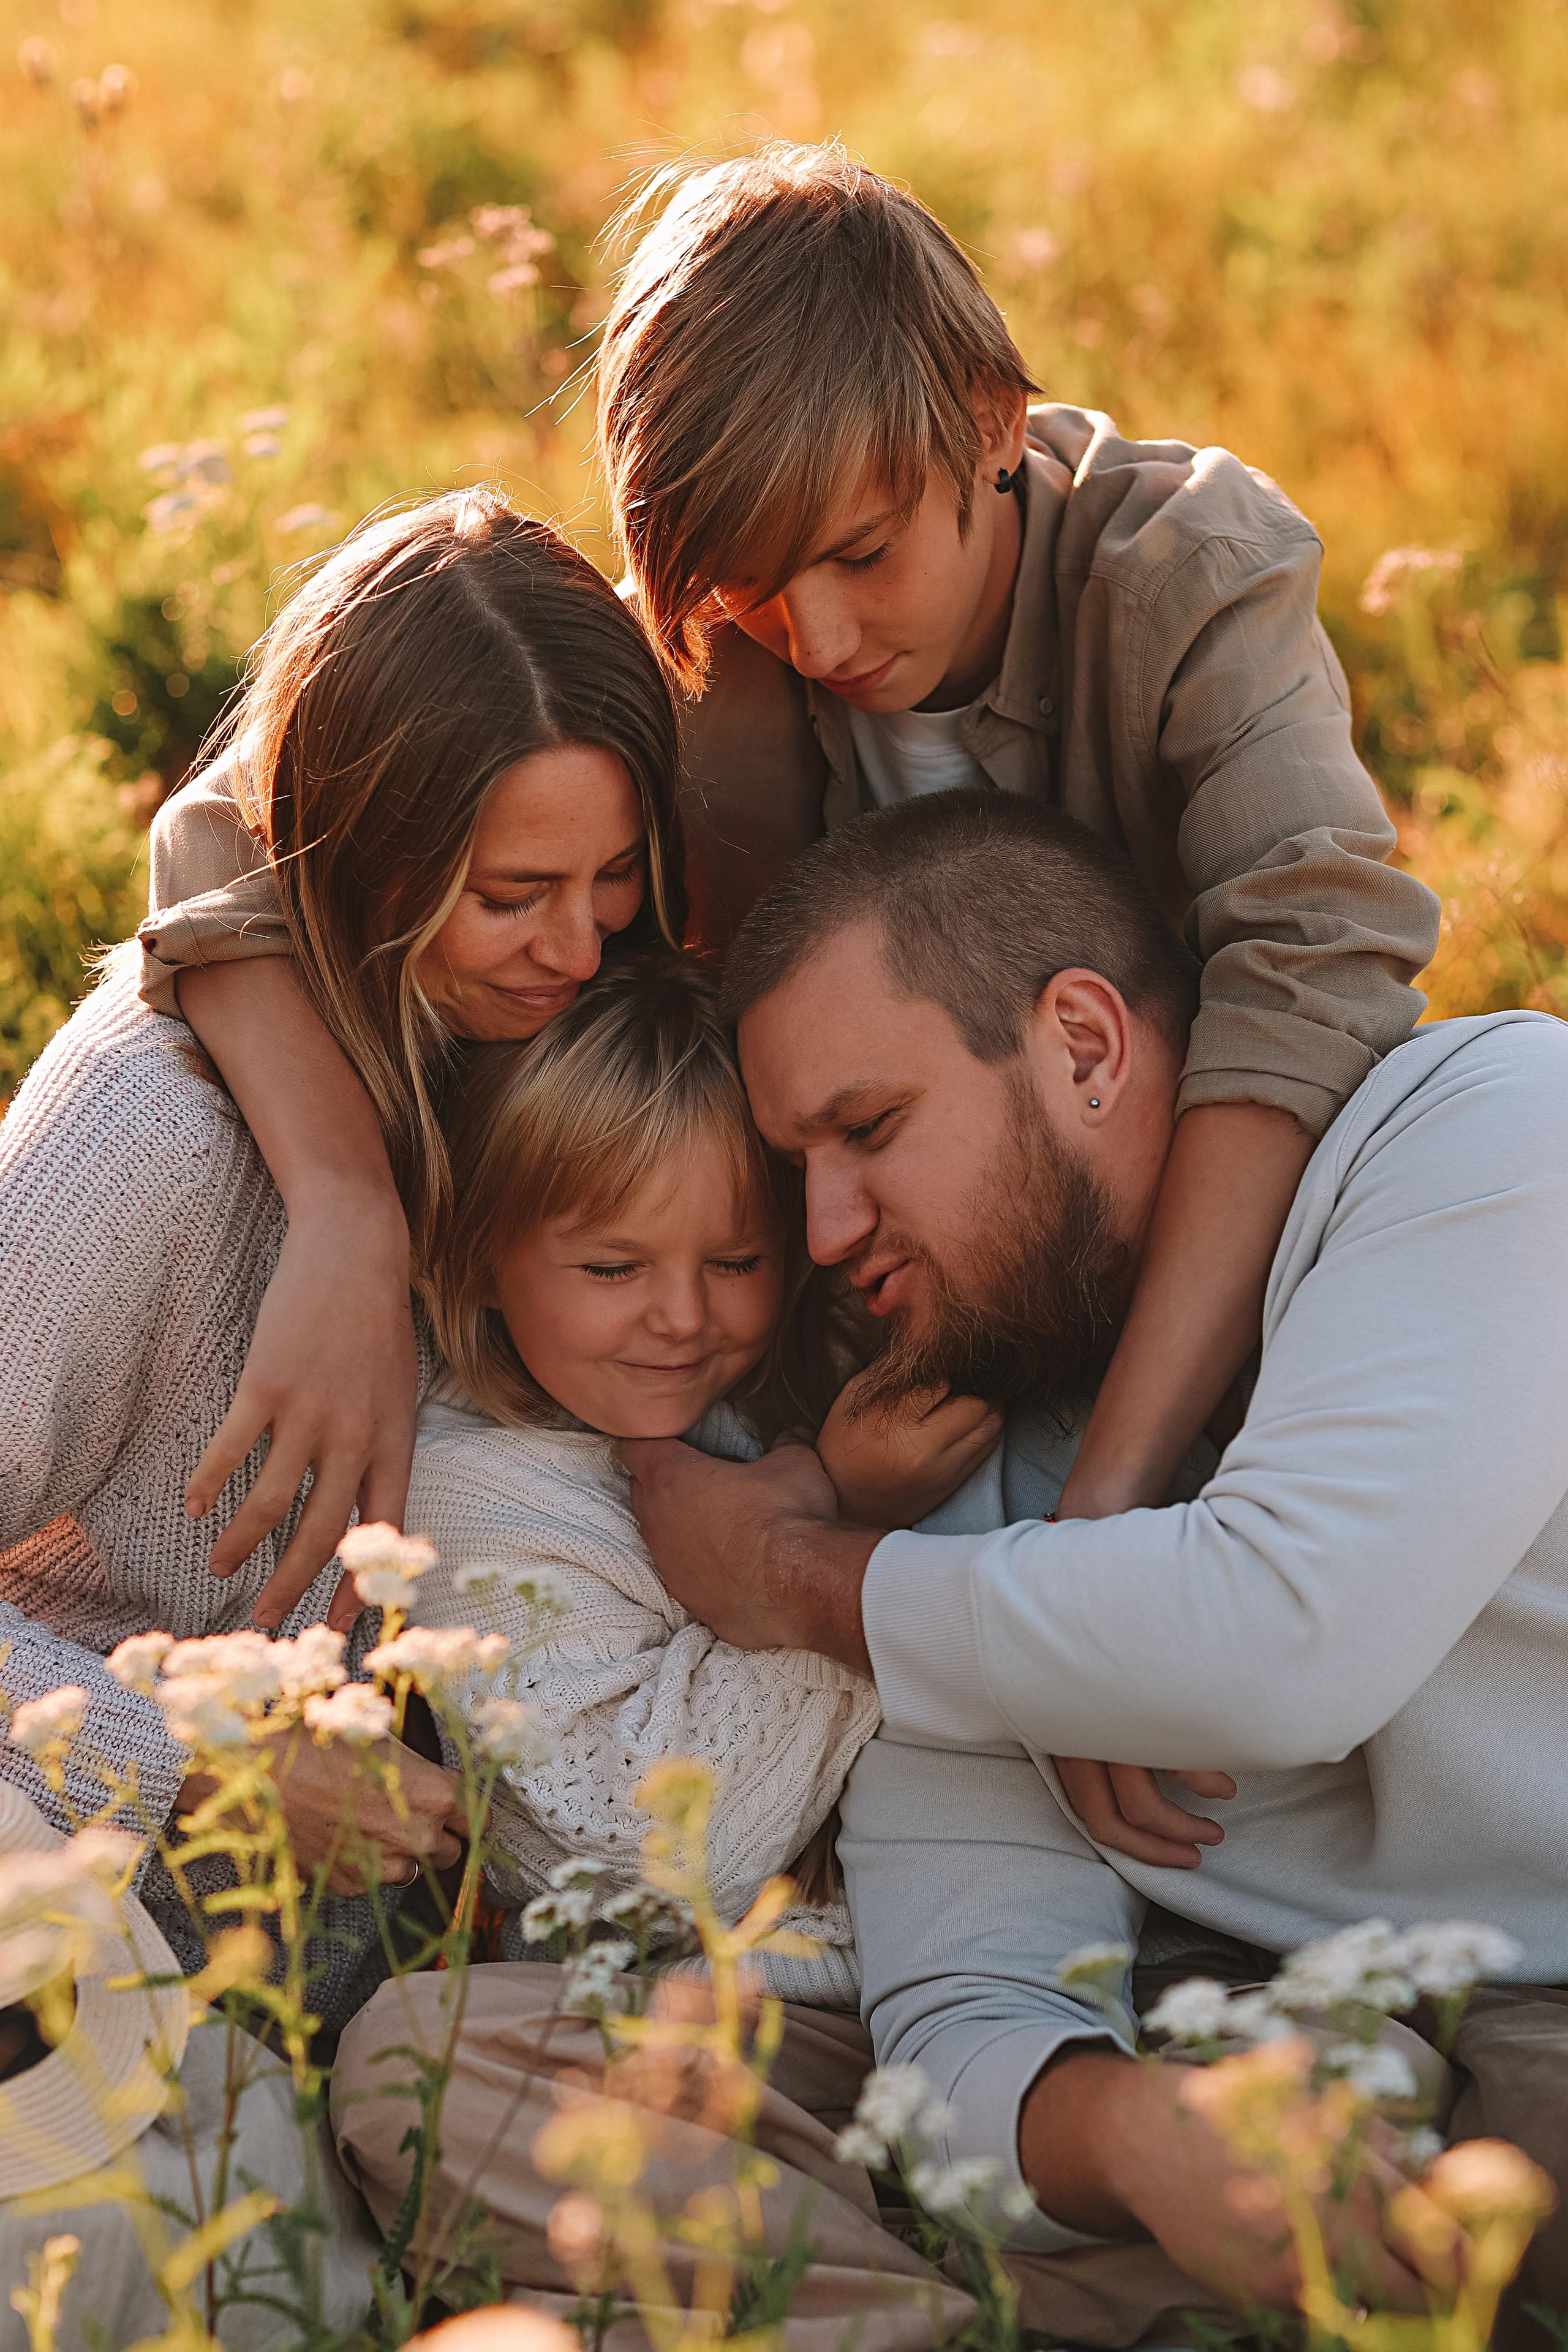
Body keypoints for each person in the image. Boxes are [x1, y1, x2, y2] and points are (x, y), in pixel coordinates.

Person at [136, 151, 1440, 1826]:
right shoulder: (709, 641)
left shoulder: (1183, 577)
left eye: (861, 555)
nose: (813, 633)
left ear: (985, 420)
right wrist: (345, 1207)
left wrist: (1115, 1503)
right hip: (832, 1323)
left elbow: (1312, 976)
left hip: (1186, 1290)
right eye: (753, 582)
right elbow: (228, 831)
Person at [622, 786, 1568, 2347]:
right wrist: (1127, 2134)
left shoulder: (1487, 1132)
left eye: (867, 1130)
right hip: (1342, 2052)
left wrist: (797, 1578)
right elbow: (961, 1998)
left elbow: (1282, 1630)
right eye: (797, 1167)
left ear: (1081, 1045)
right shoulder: (959, 1493)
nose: (828, 1227)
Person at [0, 485, 688, 2033]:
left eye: (615, 877)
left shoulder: (553, 1054)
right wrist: (189, 1765)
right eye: (510, 896)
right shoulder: (148, 1141)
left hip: (374, 2004)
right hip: (88, 1970)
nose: (578, 949)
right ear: (363, 856)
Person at [329, 952, 995, 2341]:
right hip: (708, 2011)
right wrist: (837, 1520)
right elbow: (651, 1843)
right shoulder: (473, 1493)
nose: (683, 1316)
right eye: (613, 1266)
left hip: (946, 1972)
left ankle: (920, 2265)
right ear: (478, 1263)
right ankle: (914, 2301)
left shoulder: (752, 1401)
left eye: (733, 1262)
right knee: (410, 2074)